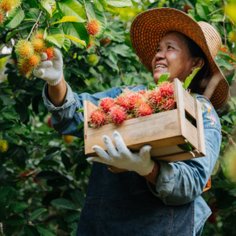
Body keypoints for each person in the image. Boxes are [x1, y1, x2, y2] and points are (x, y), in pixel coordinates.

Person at [34, 7, 229, 236]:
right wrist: (57, 82)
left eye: (170, 48)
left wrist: (148, 168)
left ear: (195, 63)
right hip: (101, 226)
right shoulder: (129, 95)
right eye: (158, 48)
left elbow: (192, 181)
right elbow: (75, 116)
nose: (158, 54)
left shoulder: (201, 112)